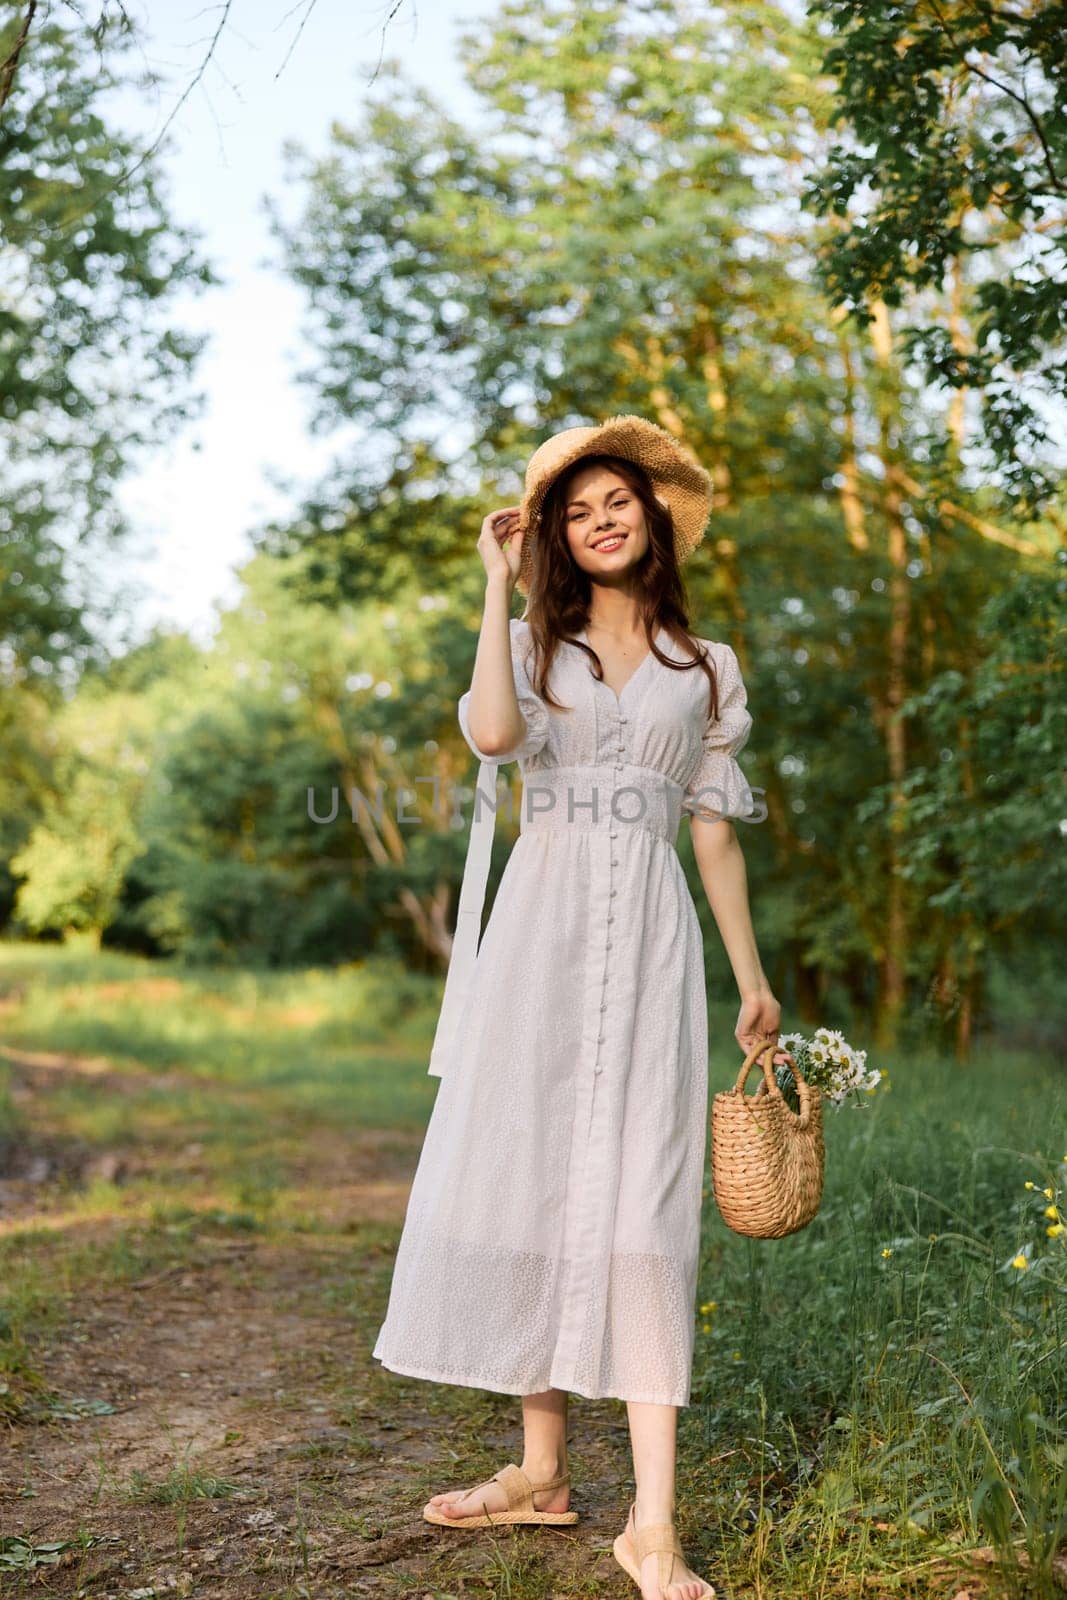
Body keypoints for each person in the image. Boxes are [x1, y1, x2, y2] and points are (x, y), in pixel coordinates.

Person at [372, 415, 784, 1600]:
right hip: (539, 929)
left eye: (618, 501)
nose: (600, 520)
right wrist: (495, 586)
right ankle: (542, 1473)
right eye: (575, 508)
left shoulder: (705, 666)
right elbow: (495, 738)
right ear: (552, 531)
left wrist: (750, 976)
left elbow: (711, 829)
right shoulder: (529, 642)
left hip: (652, 940)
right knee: (531, 1166)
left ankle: (651, 1526)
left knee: (644, 1198)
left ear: (651, 517)